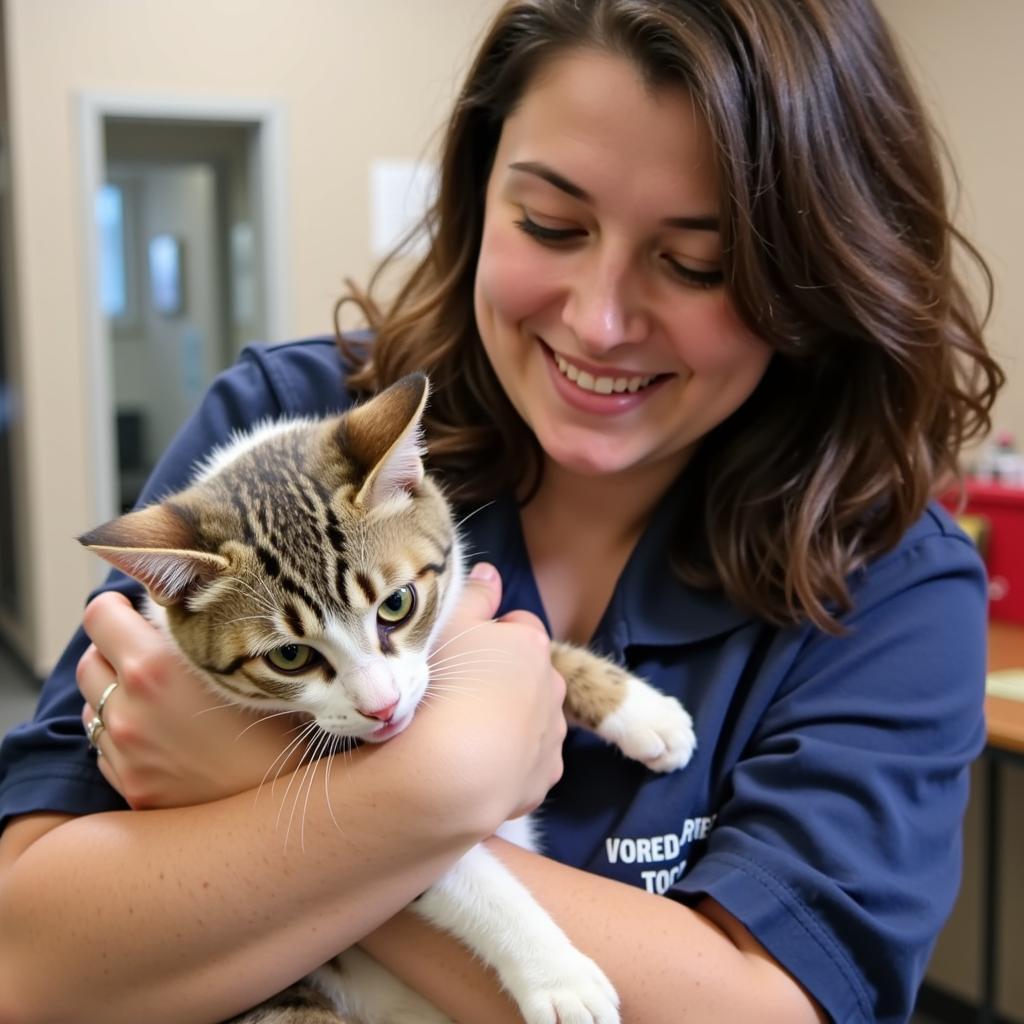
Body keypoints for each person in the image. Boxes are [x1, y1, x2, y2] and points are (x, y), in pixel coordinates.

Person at [0, 0, 1005, 1021]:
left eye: (695, 263)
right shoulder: (284, 428)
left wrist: (317, 795)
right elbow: (30, 959)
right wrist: (413, 812)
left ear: (812, 279)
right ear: (478, 194)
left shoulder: (891, 576)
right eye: (550, 225)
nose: (599, 321)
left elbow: (770, 1007)